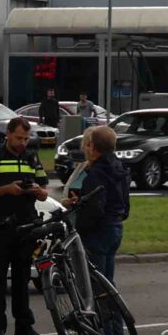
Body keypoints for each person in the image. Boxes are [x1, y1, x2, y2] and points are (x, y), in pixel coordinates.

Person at [0, 115, 52, 335]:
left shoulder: (31, 157)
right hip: (1, 227)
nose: (22, 143)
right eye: (18, 138)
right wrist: (7, 189)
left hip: (26, 226)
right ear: (7, 134)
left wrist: (38, 191)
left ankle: (24, 328)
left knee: (22, 279)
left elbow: (45, 190)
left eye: (26, 139)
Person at [68, 123, 130, 301]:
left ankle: (103, 325)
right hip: (115, 226)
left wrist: (80, 228)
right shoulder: (118, 168)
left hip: (98, 232)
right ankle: (115, 325)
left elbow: (94, 209)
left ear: (93, 147)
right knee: (108, 281)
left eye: (88, 144)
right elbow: (124, 203)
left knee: (96, 285)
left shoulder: (95, 174)